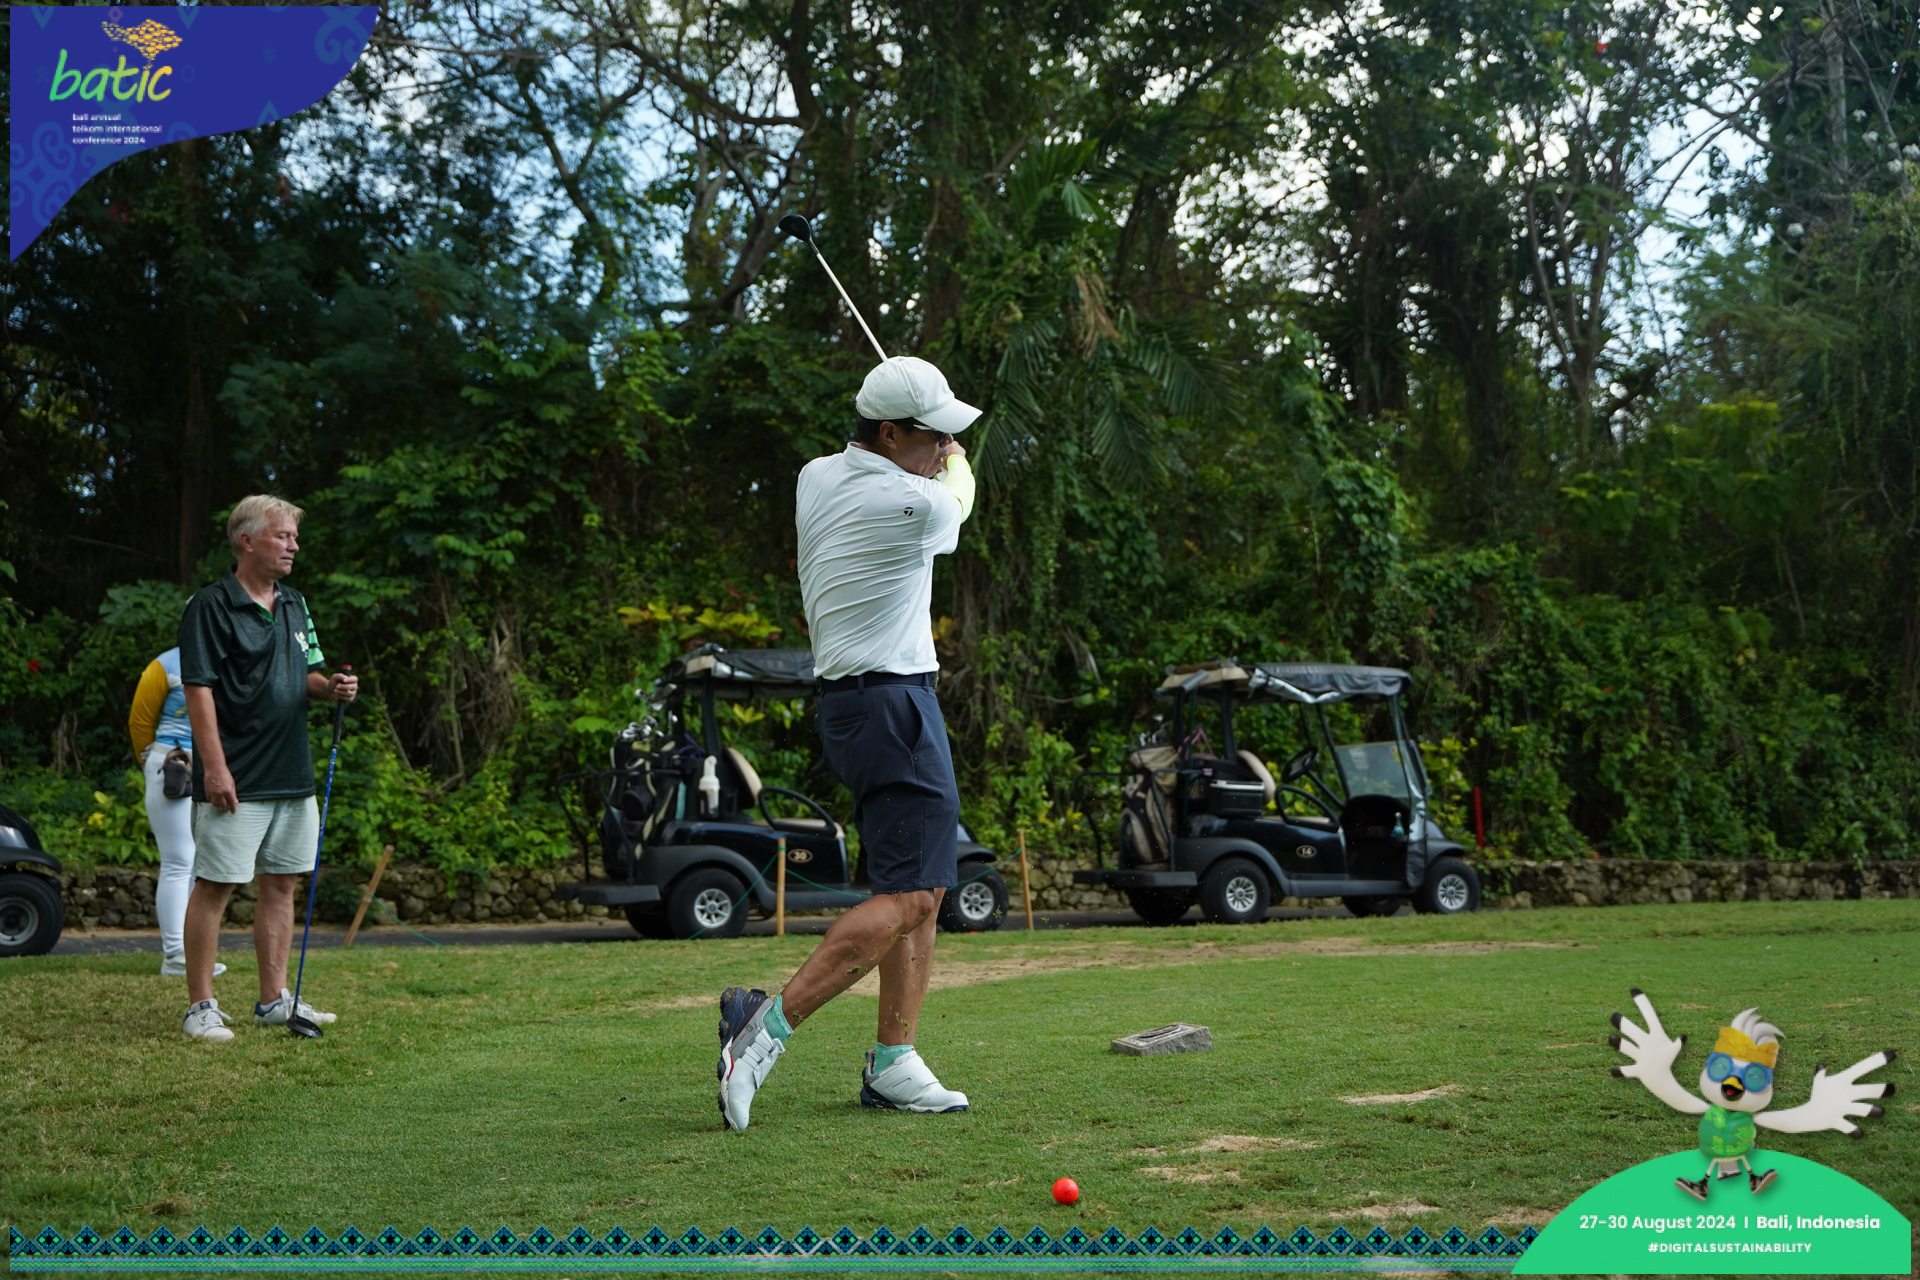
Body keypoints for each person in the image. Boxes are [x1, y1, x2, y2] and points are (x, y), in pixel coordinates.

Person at [716, 355, 980, 1129]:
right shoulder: (912, 502)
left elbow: (920, 471)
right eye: (933, 436)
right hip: (895, 705)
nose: (943, 448)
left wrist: (936, 446)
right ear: (889, 434)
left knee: (921, 886)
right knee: (913, 897)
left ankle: (895, 1062)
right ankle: (761, 1030)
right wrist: (958, 463)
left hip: (855, 707)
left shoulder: (816, 476)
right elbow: (958, 501)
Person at [176, 495, 357, 1042]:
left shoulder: (295, 602)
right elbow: (199, 691)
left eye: (294, 537)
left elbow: (308, 672)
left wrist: (331, 688)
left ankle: (273, 1001)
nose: (294, 546)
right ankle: (200, 1007)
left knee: (282, 884)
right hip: (237, 775)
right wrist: (215, 769)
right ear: (247, 540)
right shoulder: (209, 606)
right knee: (215, 886)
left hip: (292, 773)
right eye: (283, 536)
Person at [128, 647, 225, 978]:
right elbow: (139, 721)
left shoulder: (225, 658)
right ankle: (174, 954)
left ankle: (190, 952)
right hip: (173, 764)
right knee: (179, 860)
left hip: (209, 766)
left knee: (196, 862)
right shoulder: (166, 664)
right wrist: (153, 759)